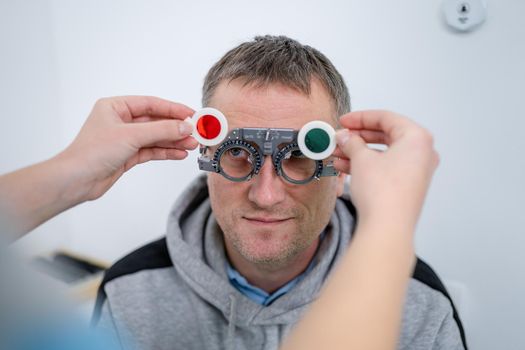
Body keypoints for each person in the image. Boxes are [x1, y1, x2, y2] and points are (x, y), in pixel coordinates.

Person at [0, 35, 467, 350]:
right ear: (206, 156)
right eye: (238, 155)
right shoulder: (131, 292)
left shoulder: (418, 304)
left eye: (300, 156)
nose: (266, 195)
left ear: (341, 166)